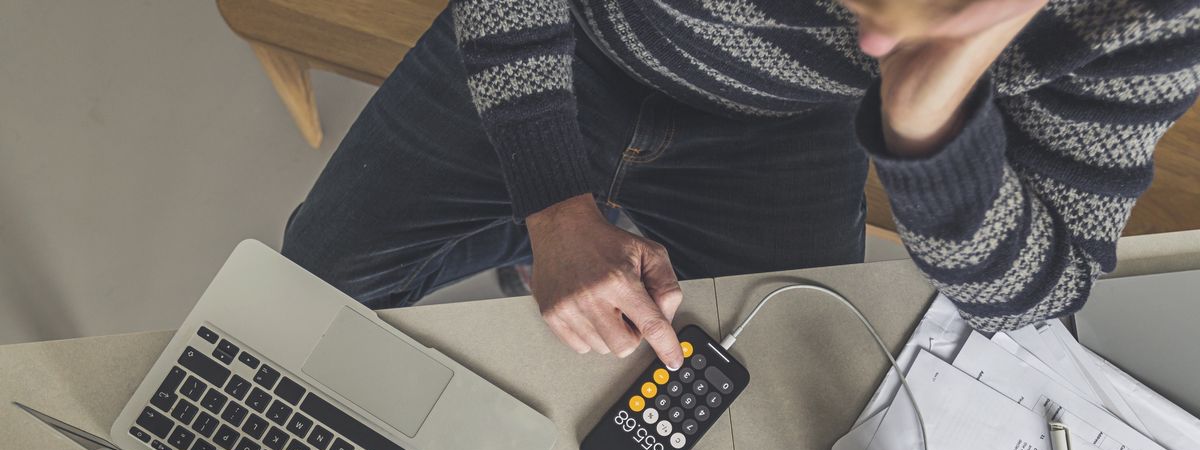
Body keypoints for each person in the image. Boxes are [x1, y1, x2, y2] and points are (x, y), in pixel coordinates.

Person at [281, 0, 1199, 370]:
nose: (858, 24)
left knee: (787, 402)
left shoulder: (1154, 16)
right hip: (578, 30)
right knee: (291, 304)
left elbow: (1038, 298)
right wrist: (553, 202)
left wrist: (930, 129)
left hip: (797, 129)